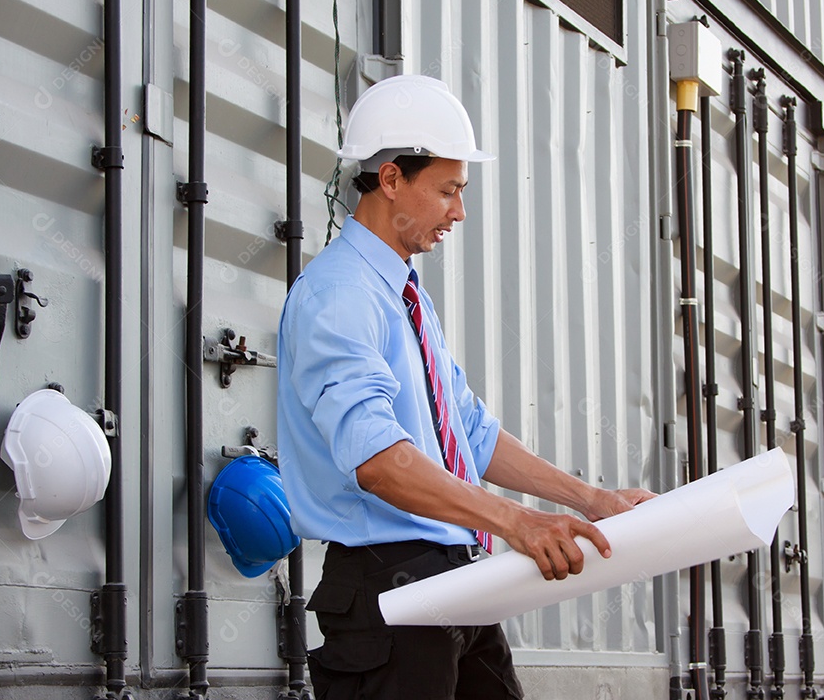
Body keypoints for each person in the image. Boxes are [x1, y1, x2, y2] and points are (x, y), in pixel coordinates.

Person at [276, 74, 655, 700]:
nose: (459, 210)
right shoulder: (339, 296)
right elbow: (378, 463)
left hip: (455, 583)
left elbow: (470, 432)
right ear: (392, 178)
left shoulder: (404, 294)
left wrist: (591, 500)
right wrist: (516, 522)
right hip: (389, 594)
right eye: (449, 190)